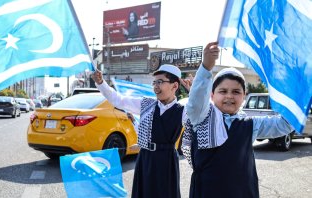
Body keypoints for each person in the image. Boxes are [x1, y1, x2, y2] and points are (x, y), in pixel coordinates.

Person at [183, 41, 294, 198]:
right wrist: (206, 67)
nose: (229, 96)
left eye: (236, 91)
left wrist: (298, 98)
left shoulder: (250, 124)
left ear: (244, 96)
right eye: (223, 91)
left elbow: (284, 125)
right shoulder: (200, 118)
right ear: (212, 95)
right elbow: (195, 101)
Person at [92, 64, 191, 198]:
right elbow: (118, 100)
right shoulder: (146, 105)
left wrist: (195, 93)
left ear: (175, 86)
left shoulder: (183, 110)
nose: (156, 86)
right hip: (145, 158)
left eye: (160, 82)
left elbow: (203, 117)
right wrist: (101, 83)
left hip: (166, 161)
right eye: (154, 82)